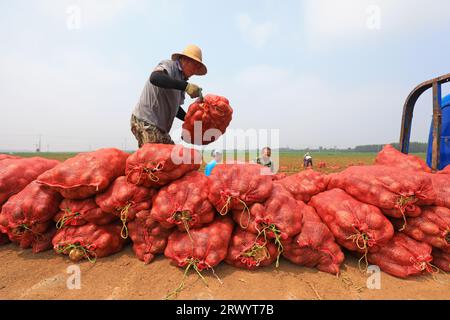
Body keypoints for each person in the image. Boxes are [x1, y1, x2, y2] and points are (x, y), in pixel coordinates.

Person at [130, 44, 207, 147]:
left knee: (172, 157)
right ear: (185, 59)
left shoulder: (181, 80)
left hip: (160, 129)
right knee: (155, 158)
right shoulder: (169, 65)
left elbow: (175, 109)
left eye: (198, 67)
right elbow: (155, 78)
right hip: (146, 121)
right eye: (195, 65)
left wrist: (189, 119)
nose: (195, 70)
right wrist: (186, 86)